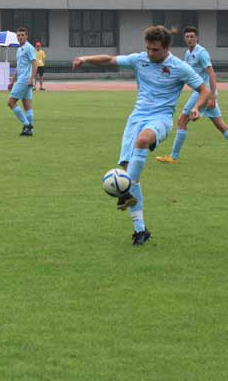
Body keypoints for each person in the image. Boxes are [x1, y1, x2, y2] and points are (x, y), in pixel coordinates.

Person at [72, 25, 211, 246]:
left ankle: (124, 193)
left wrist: (197, 108)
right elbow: (109, 60)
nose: (150, 53)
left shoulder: (179, 67)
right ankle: (140, 230)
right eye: (147, 48)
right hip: (136, 119)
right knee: (129, 174)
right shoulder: (140, 59)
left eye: (155, 49)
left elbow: (204, 90)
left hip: (161, 119)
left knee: (142, 143)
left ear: (166, 48)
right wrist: (85, 58)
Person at [156, 26, 228, 165]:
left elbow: (211, 74)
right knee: (221, 125)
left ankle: (173, 157)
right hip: (202, 92)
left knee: (181, 121)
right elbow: (185, 72)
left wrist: (212, 96)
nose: (189, 39)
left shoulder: (201, 53)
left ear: (197, 38)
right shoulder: (188, 53)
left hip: (204, 93)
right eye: (187, 37)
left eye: (192, 36)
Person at [7, 28, 37, 137]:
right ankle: (29, 131)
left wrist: (31, 79)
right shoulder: (19, 49)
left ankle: (27, 124)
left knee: (10, 102)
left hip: (25, 79)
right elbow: (18, 67)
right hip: (21, 79)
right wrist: (12, 80)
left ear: (26, 36)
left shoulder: (29, 48)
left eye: (22, 35)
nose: (20, 37)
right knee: (27, 105)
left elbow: (34, 64)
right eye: (18, 35)